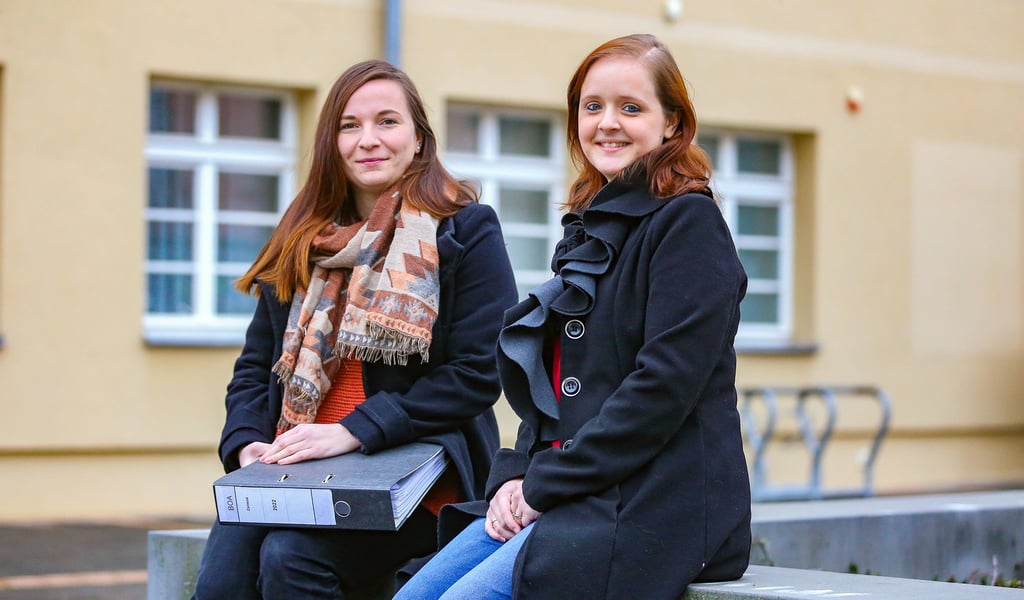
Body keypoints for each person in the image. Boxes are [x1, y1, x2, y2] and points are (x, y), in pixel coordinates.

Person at [394, 33, 751, 600]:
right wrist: (516, 474)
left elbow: (659, 392)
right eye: (593, 107)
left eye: (630, 108)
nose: (607, 123)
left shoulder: (689, 225)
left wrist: (542, 486)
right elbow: (555, 386)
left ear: (671, 124)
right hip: (576, 490)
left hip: (654, 504)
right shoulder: (590, 228)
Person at [190, 59, 518, 600]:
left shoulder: (464, 230)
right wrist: (246, 445)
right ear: (332, 142)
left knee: (292, 558)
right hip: (293, 470)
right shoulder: (301, 238)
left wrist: (354, 431)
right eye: (350, 125)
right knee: (223, 582)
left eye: (387, 121)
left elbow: (478, 373)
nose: (368, 139)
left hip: (413, 478)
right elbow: (253, 369)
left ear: (418, 138)